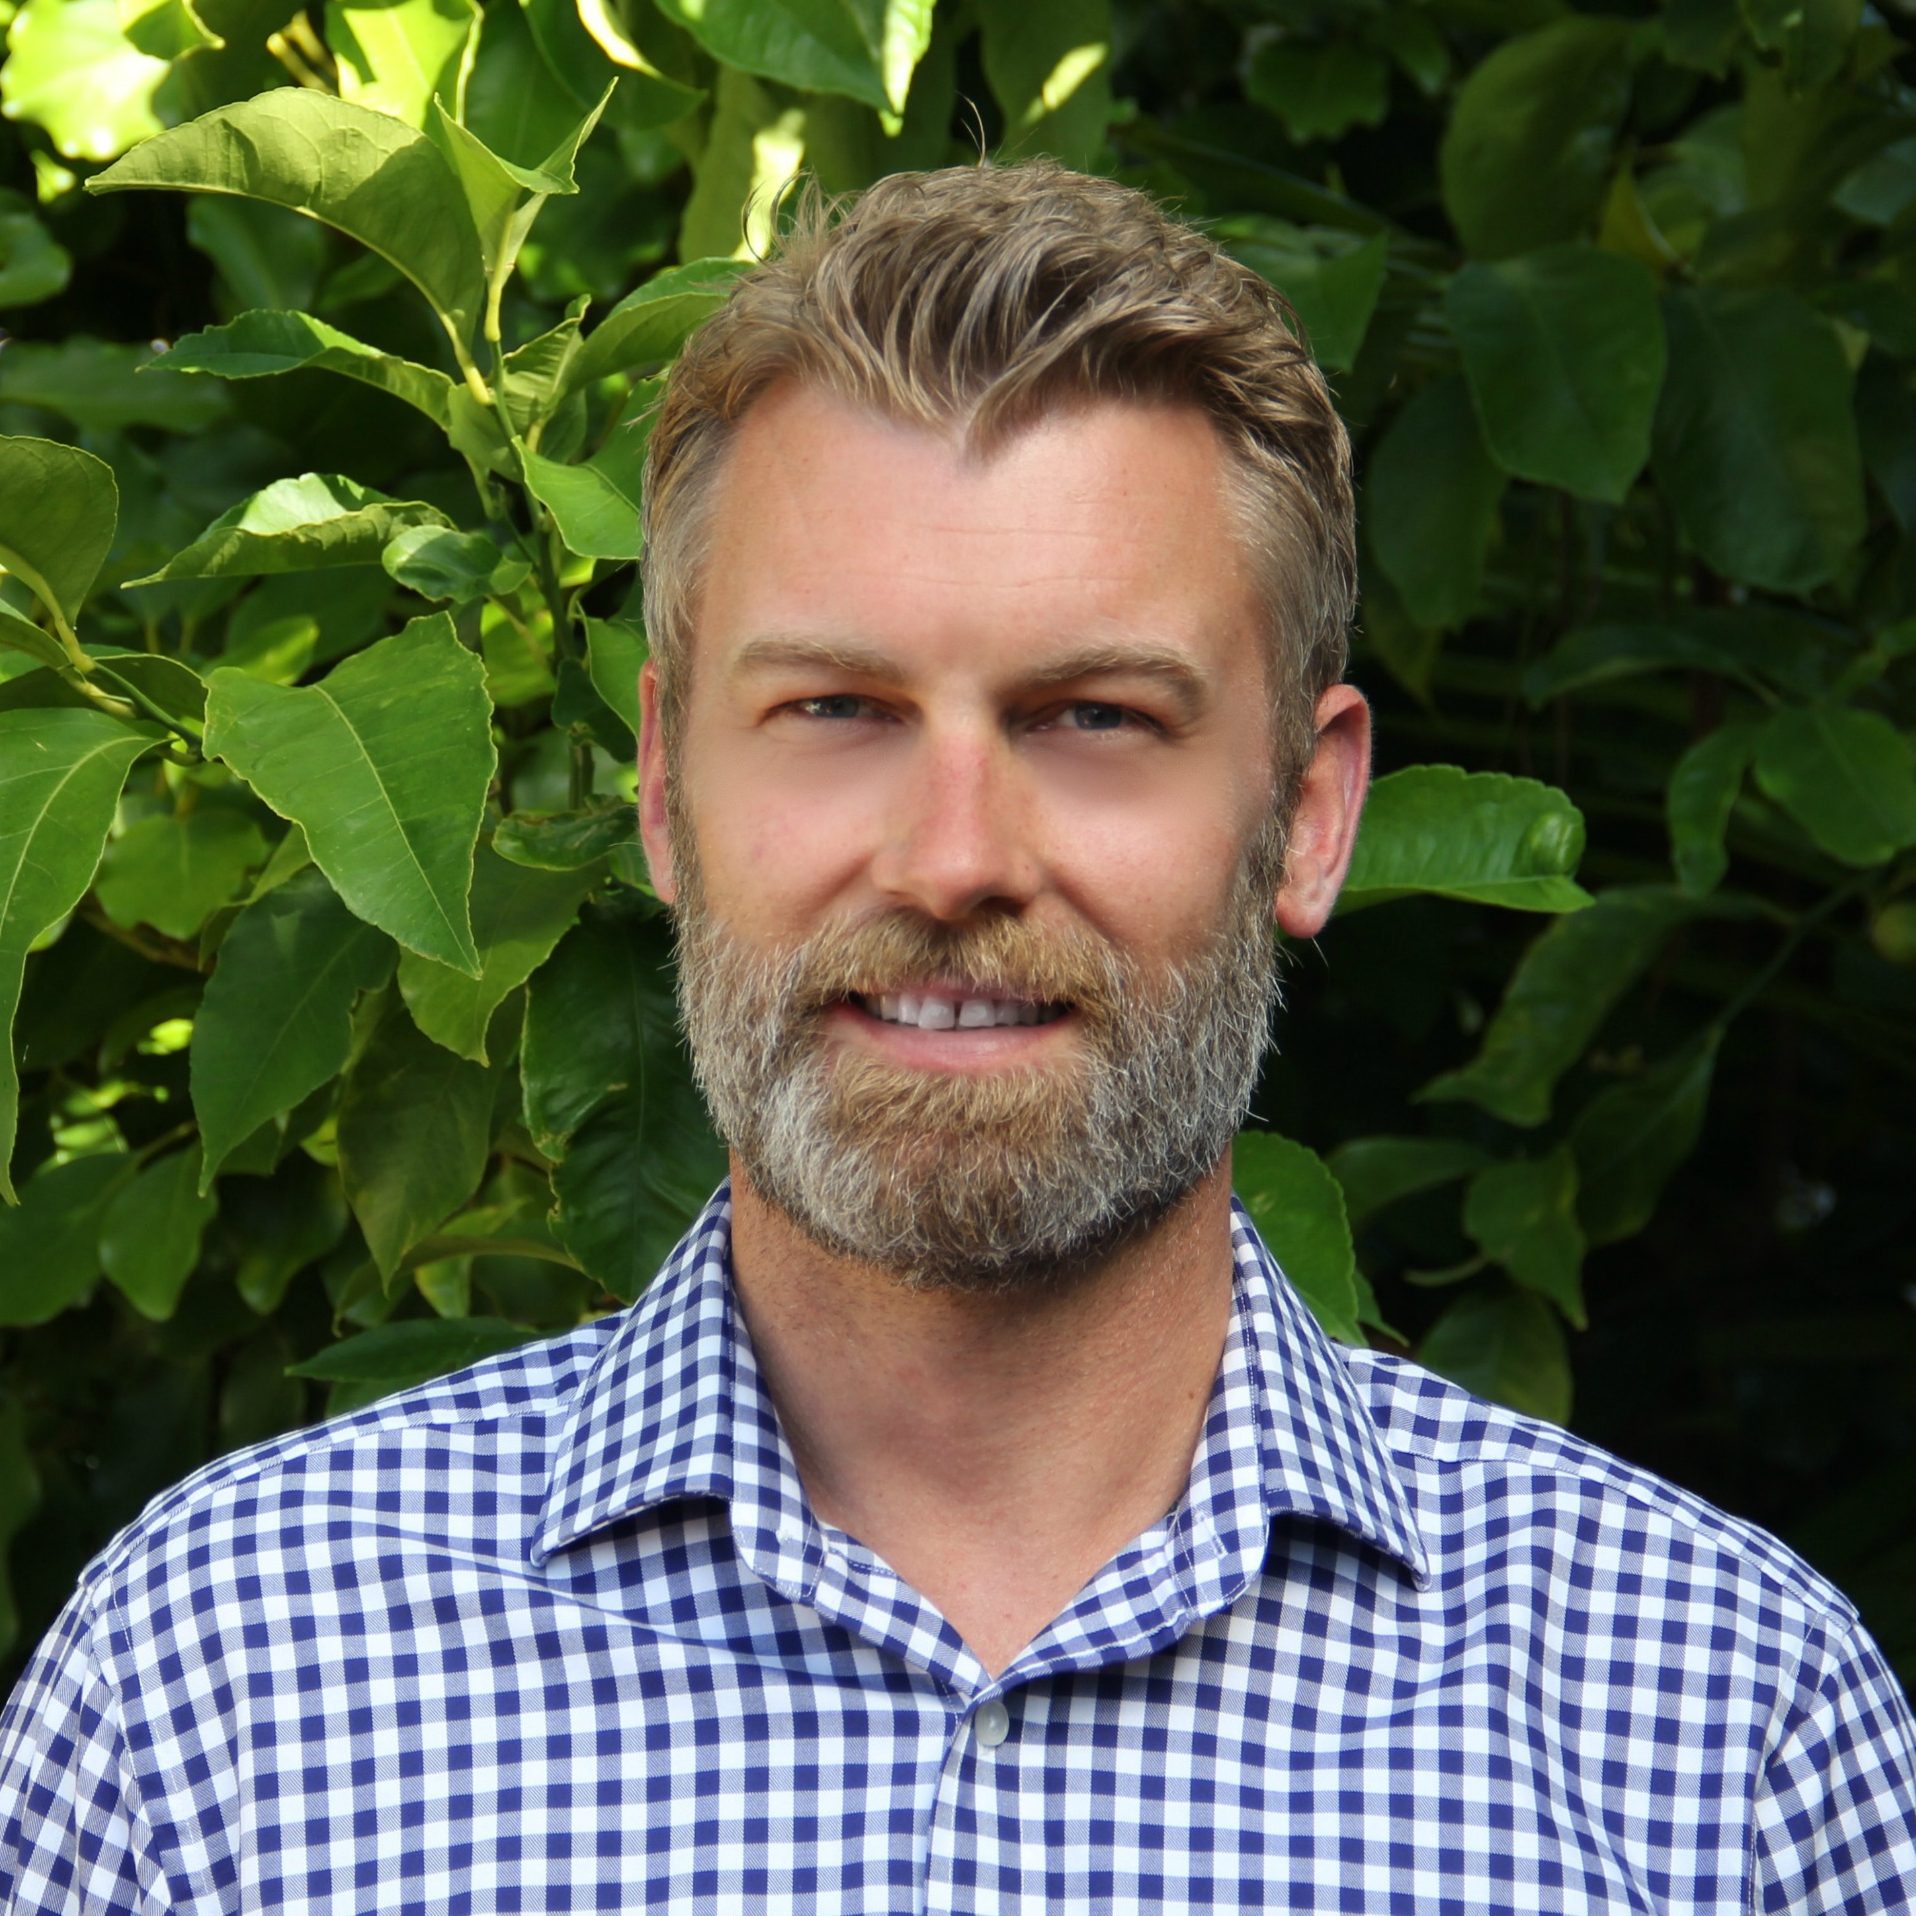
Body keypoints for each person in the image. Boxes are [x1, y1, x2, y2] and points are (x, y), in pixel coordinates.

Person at [3, 161, 1913, 1913]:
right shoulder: (214, 1699)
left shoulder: (1723, 1745)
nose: (952, 860)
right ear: (663, 789)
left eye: (1095, 719)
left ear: (1308, 814)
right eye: (836, 710)